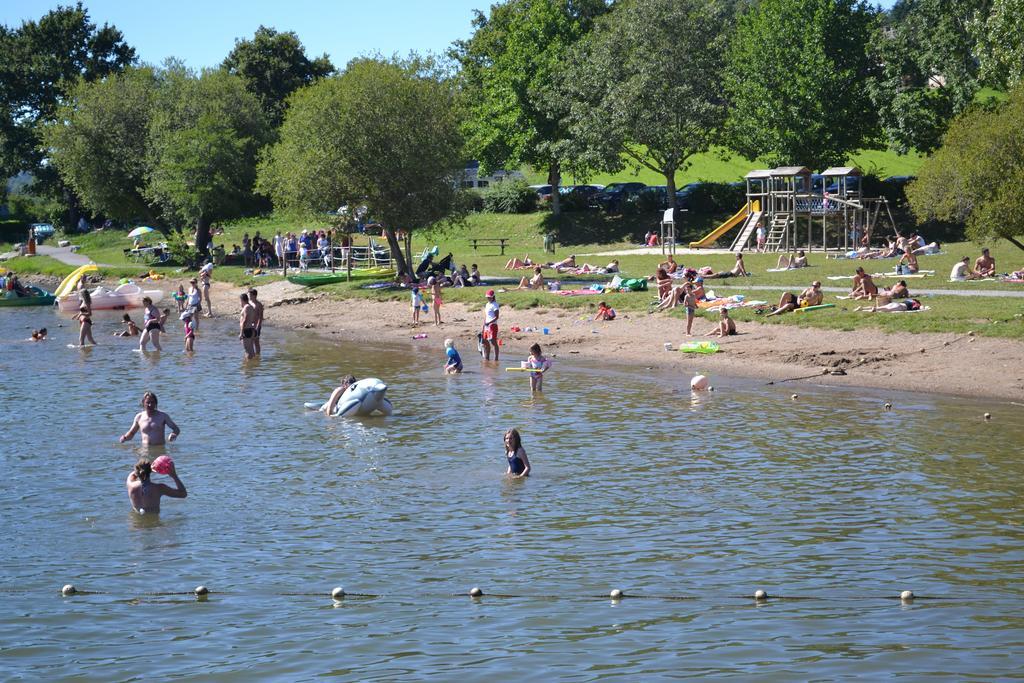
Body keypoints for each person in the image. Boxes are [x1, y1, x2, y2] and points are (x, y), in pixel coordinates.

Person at [481, 289, 500, 361]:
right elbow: (486, 316)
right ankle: (487, 357)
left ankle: (496, 358)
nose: (488, 298)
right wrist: (484, 326)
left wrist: (489, 322)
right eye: (487, 297)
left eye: (489, 297)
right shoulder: (487, 304)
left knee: (493, 341)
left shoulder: (495, 305)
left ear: (493, 297)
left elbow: (496, 317)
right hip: (486, 325)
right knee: (485, 341)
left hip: (493, 325)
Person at [239, 292, 257, 359]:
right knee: (251, 350)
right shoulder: (251, 307)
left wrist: (241, 333)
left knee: (247, 351)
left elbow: (245, 320)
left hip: (246, 330)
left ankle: (247, 368)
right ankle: (253, 366)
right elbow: (254, 319)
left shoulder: (246, 307)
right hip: (251, 329)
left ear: (242, 300)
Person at [248, 288, 264, 355]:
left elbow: (261, 317)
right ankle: (252, 354)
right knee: (249, 341)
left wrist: (258, 326)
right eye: (248, 295)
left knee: (256, 342)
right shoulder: (249, 303)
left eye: (250, 295)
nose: (249, 296)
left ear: (254, 295)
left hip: (256, 325)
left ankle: (258, 355)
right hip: (249, 325)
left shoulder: (258, 304)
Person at [854, 298, 923, 312]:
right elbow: (915, 308)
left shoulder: (907, 300)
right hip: (901, 307)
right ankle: (875, 309)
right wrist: (920, 307)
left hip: (895, 303)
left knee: (882, 307)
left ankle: (862, 308)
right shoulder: (915, 303)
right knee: (887, 310)